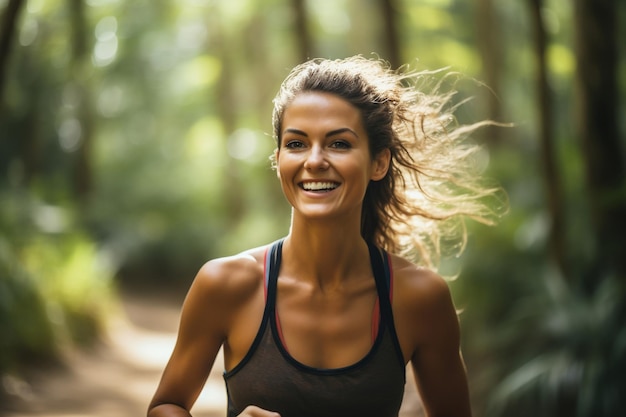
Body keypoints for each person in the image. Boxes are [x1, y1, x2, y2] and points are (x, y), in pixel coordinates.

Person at [147, 56, 504, 417]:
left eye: (339, 144)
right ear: (279, 159)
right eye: (297, 144)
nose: (314, 160)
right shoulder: (226, 284)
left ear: (379, 163)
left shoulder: (419, 298)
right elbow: (166, 405)